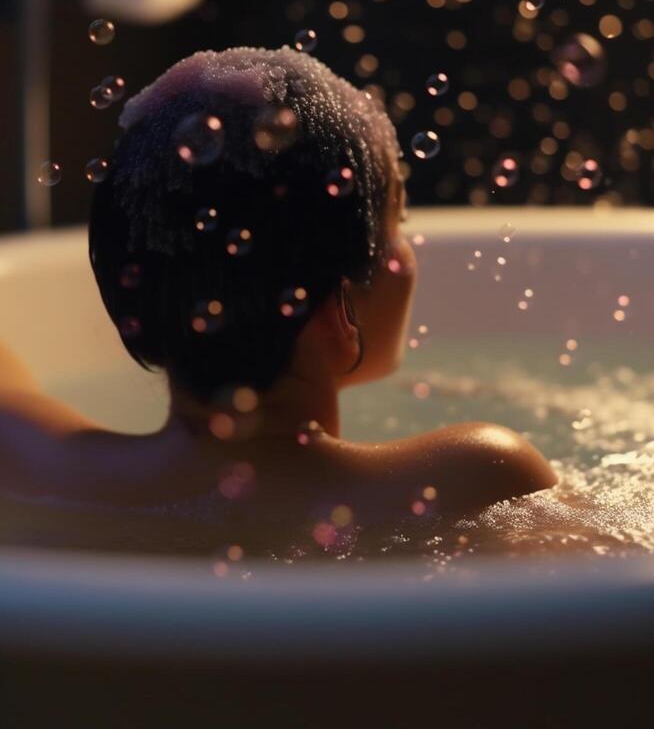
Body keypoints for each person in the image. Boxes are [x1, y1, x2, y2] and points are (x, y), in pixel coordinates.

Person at [0, 47, 556, 533]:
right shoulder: (477, 478)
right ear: (337, 310)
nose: (407, 256)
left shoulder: (43, 467)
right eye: (398, 223)